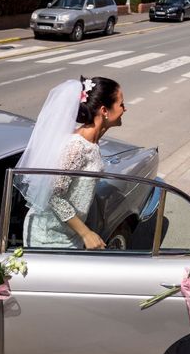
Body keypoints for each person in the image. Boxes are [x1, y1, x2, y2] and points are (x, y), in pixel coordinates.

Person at [16, 76, 126, 250]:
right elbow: (52, 195)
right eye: (121, 104)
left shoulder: (91, 141)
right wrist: (86, 233)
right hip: (48, 236)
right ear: (105, 110)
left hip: (69, 232)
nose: (125, 109)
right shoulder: (75, 146)